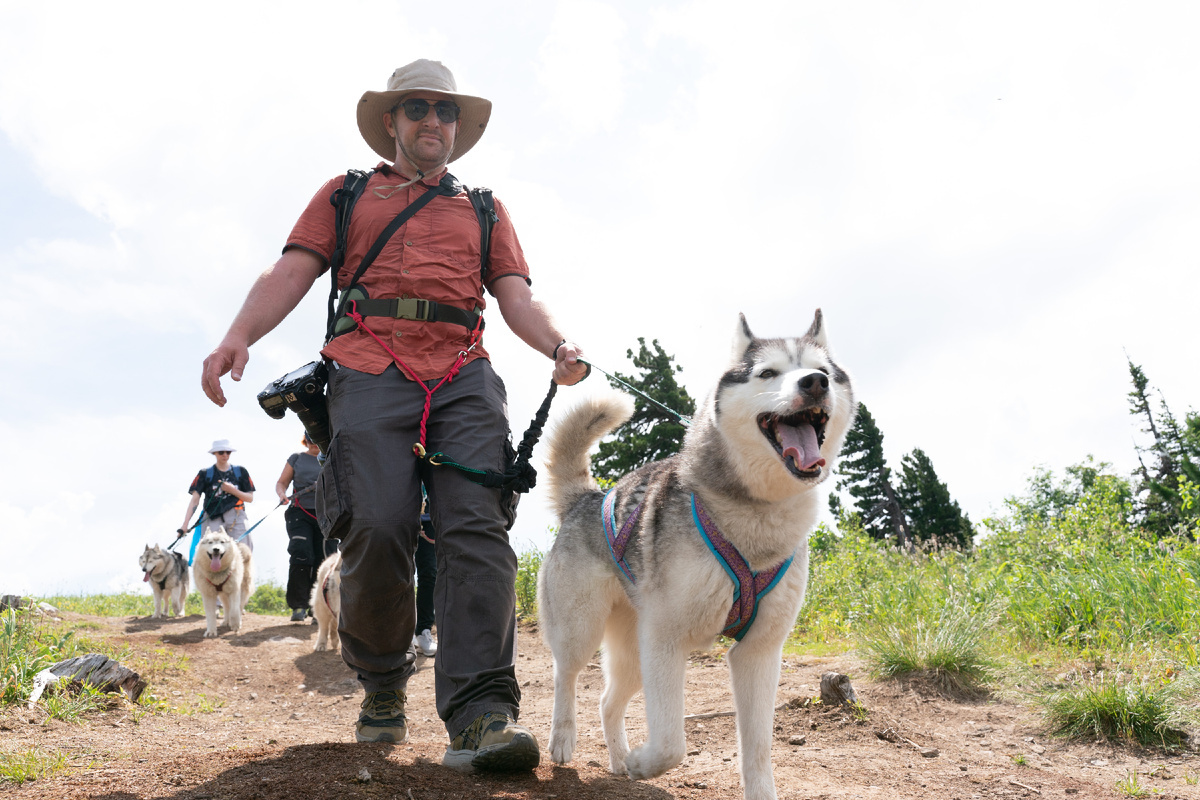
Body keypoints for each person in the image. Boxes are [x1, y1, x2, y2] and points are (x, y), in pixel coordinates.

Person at [200, 58, 587, 773]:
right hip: (369, 369)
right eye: (418, 108)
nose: (432, 121)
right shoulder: (345, 195)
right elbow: (289, 270)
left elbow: (516, 296)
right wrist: (237, 336)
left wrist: (558, 344)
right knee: (377, 525)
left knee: (477, 529)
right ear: (392, 122)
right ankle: (382, 680)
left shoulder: (484, 208)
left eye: (445, 111)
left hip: (463, 375)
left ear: (457, 127)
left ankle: (481, 714)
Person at [275, 432, 327, 622]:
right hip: (300, 512)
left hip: (325, 515)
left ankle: (318, 609)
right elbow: (282, 482)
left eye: (317, 439)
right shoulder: (296, 458)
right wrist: (282, 494)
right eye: (310, 439)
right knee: (302, 554)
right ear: (306, 439)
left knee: (324, 560)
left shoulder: (330, 457)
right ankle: (298, 606)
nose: (314, 443)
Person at [179, 439, 256, 549]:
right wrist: (185, 525)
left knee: (242, 551)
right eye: (221, 452)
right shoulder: (205, 474)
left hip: (236, 516)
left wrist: (233, 490)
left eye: (228, 452)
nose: (225, 455)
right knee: (211, 552)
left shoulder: (241, 472)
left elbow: (250, 498)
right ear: (214, 453)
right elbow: (195, 500)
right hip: (212, 517)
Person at [413, 485, 437, 656]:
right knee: (399, 573)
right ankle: (400, 632)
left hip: (429, 517)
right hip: (397, 513)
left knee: (430, 573)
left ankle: (423, 630)